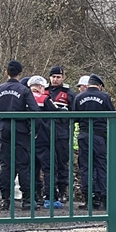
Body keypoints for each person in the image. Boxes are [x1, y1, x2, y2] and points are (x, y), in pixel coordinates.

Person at [0, 61, 39, 211]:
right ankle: (28, 200)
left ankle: (5, 200)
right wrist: (33, 129)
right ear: (20, 73)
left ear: (6, 72)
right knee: (23, 165)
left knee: (5, 166)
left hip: (4, 130)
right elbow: (35, 111)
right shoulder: (24, 90)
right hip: (21, 130)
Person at [72, 74, 115, 210]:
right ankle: (102, 200)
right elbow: (112, 115)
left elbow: (74, 118)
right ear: (100, 86)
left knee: (85, 167)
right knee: (101, 166)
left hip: (84, 135)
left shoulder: (79, 97)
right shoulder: (105, 97)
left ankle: (87, 200)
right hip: (99, 136)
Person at [28, 76, 58, 208]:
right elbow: (56, 112)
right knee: (49, 168)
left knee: (30, 169)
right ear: (41, 87)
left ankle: (33, 197)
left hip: (27, 139)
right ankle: (50, 198)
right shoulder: (44, 98)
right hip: (44, 138)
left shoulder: (24, 98)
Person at [45, 67, 73, 205]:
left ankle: (62, 192)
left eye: (58, 77)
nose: (55, 79)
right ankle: (47, 193)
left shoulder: (68, 93)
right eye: (53, 77)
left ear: (63, 77)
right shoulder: (43, 91)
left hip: (61, 133)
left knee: (62, 163)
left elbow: (75, 113)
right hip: (45, 133)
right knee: (46, 164)